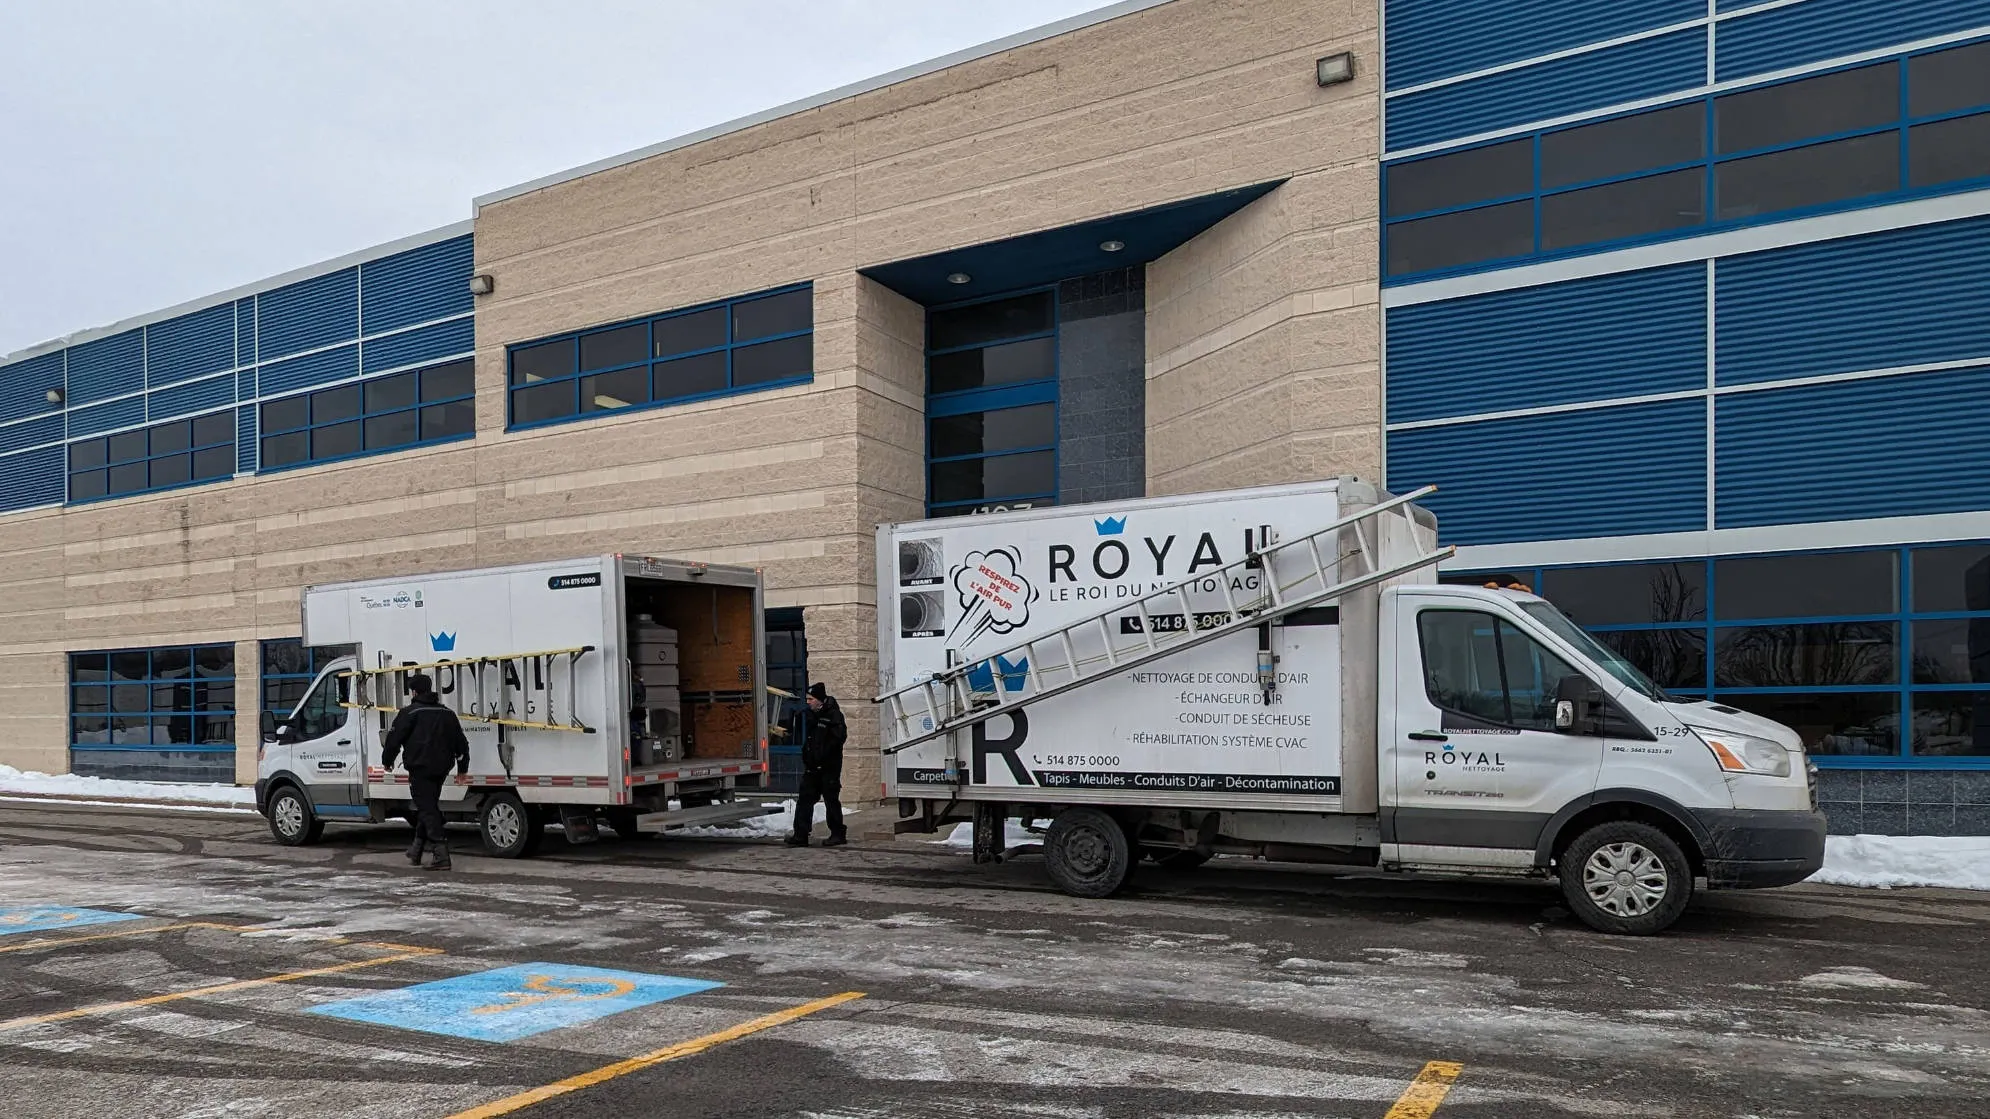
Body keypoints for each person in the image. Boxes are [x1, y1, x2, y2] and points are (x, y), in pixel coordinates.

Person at [381, 672, 470, 870]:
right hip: (442, 768)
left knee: (428, 809)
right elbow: (461, 743)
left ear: (414, 692)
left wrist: (387, 761)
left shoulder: (409, 713)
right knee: (427, 806)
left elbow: (393, 740)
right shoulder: (447, 713)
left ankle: (441, 855)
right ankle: (416, 849)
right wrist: (462, 768)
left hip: (420, 768)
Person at [786, 682, 848, 848]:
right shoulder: (811, 714)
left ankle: (837, 834)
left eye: (811, 699)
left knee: (831, 800)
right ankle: (800, 834)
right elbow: (809, 738)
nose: (808, 702)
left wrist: (824, 756)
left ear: (820, 700)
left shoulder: (833, 715)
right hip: (812, 767)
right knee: (805, 799)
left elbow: (838, 739)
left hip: (829, 767)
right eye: (807, 699)